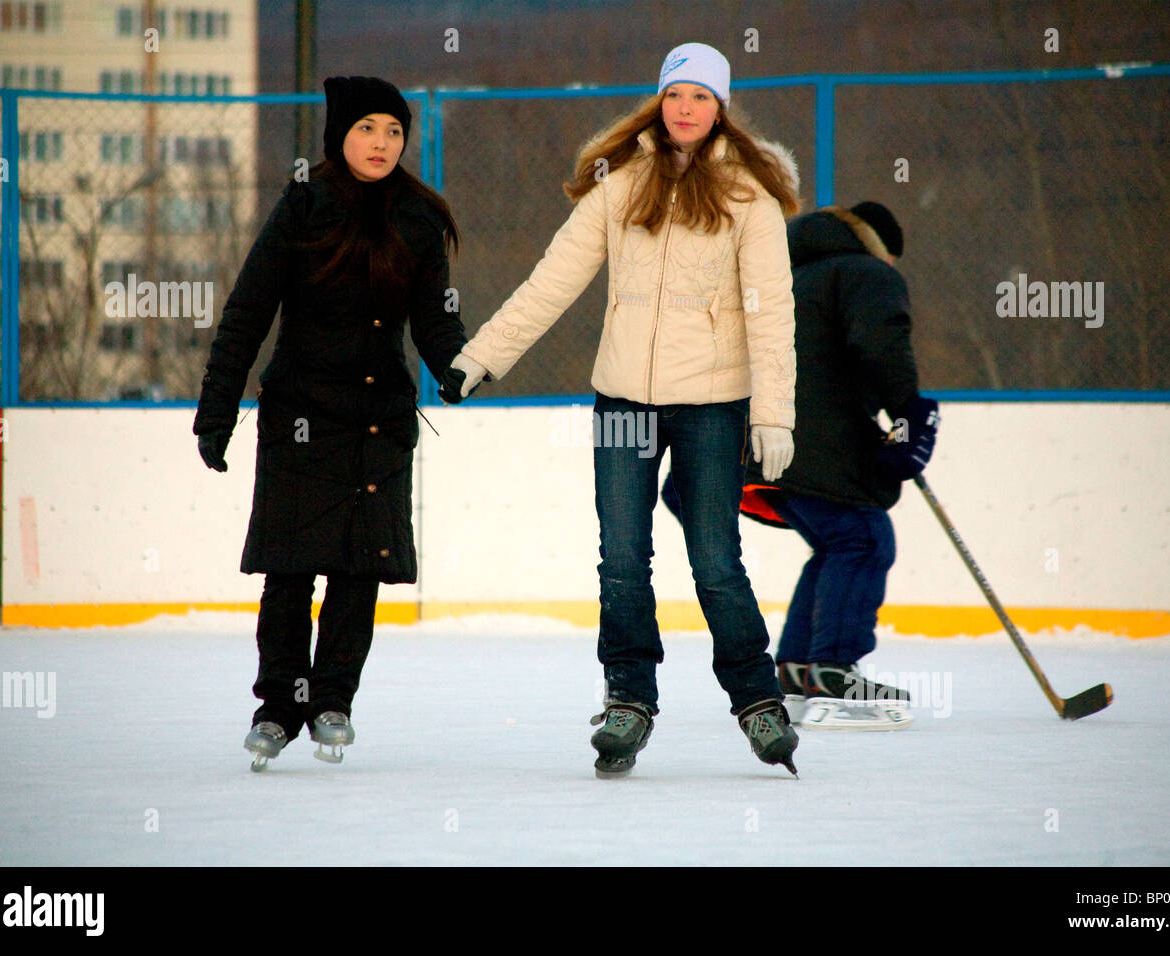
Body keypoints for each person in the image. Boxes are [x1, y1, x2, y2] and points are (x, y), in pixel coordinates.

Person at [447, 43, 801, 777]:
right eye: (676, 95)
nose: (685, 109)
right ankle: (629, 699)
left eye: (701, 97)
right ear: (659, 101)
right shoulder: (620, 185)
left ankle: (757, 701)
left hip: (711, 404)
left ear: (720, 109)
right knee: (621, 561)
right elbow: (553, 281)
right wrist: (483, 355)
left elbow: (772, 314)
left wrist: (774, 414)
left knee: (715, 561)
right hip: (622, 401)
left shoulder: (749, 200)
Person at [193, 76, 472, 770]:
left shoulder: (418, 217)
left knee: (360, 570)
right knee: (289, 570)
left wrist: (462, 368)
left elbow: (437, 322)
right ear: (338, 136)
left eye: (394, 131)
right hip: (300, 418)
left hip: (377, 423)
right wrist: (217, 410)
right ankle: (279, 707)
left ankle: (332, 701)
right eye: (366, 129)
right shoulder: (304, 206)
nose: (381, 144)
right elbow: (247, 312)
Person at [666, 201, 937, 730]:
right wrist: (909, 412)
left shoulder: (777, 277)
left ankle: (796, 669)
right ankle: (832, 670)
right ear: (881, 249)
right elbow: (881, 345)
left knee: (838, 543)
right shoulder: (863, 272)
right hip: (811, 439)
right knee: (861, 538)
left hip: (748, 443)